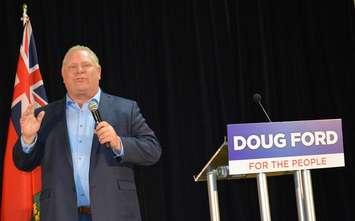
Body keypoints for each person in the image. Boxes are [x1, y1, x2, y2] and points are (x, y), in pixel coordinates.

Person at [13, 45, 162, 221]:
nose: (79, 72)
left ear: (98, 72)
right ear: (63, 75)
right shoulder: (45, 115)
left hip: (115, 212)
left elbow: (153, 151)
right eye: (72, 67)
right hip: (60, 213)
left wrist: (118, 143)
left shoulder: (125, 109)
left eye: (86, 65)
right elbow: (23, 163)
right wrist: (28, 138)